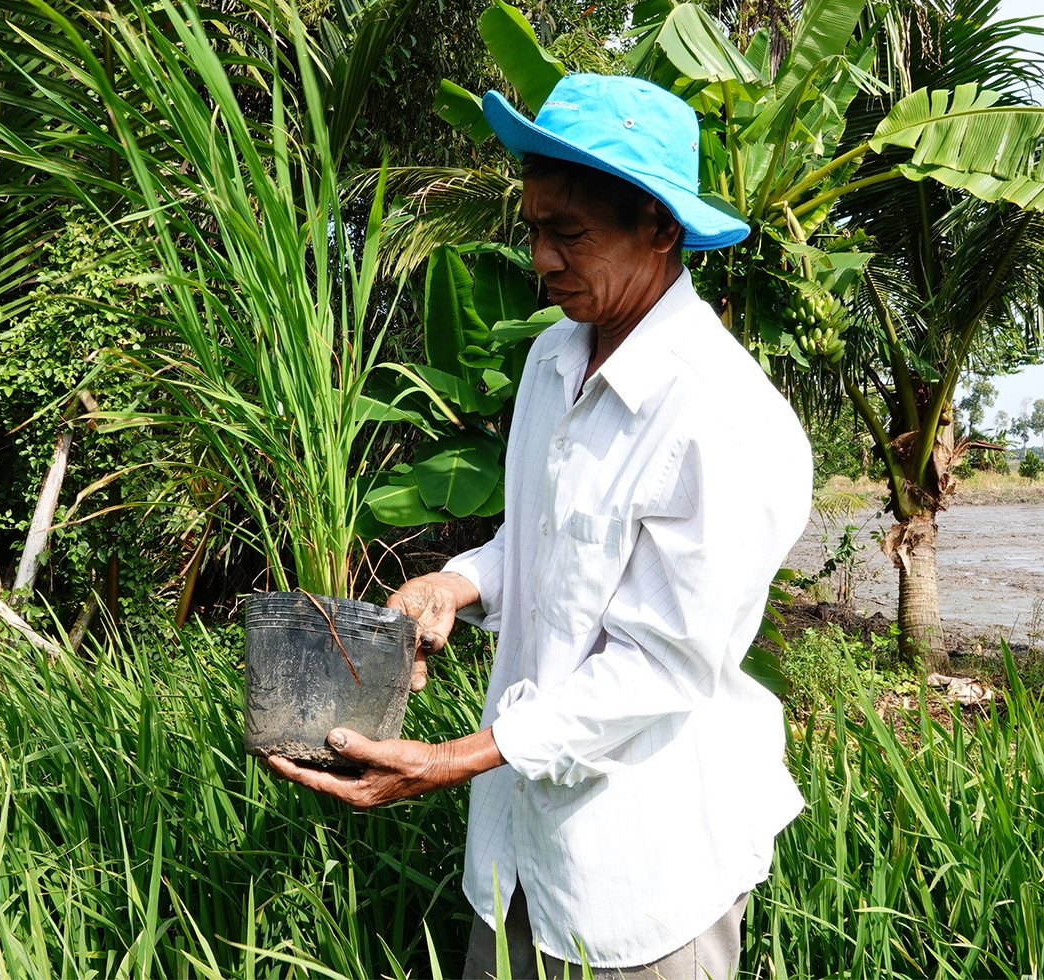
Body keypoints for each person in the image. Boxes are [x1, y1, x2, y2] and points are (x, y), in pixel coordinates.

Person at [266, 73, 813, 979]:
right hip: (517, 857)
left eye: (571, 235)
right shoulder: (554, 357)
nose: (543, 259)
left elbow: (660, 663)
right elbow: (546, 541)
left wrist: (447, 759)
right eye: (534, 228)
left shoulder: (722, 417)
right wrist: (459, 582)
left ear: (660, 229)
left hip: (644, 869)